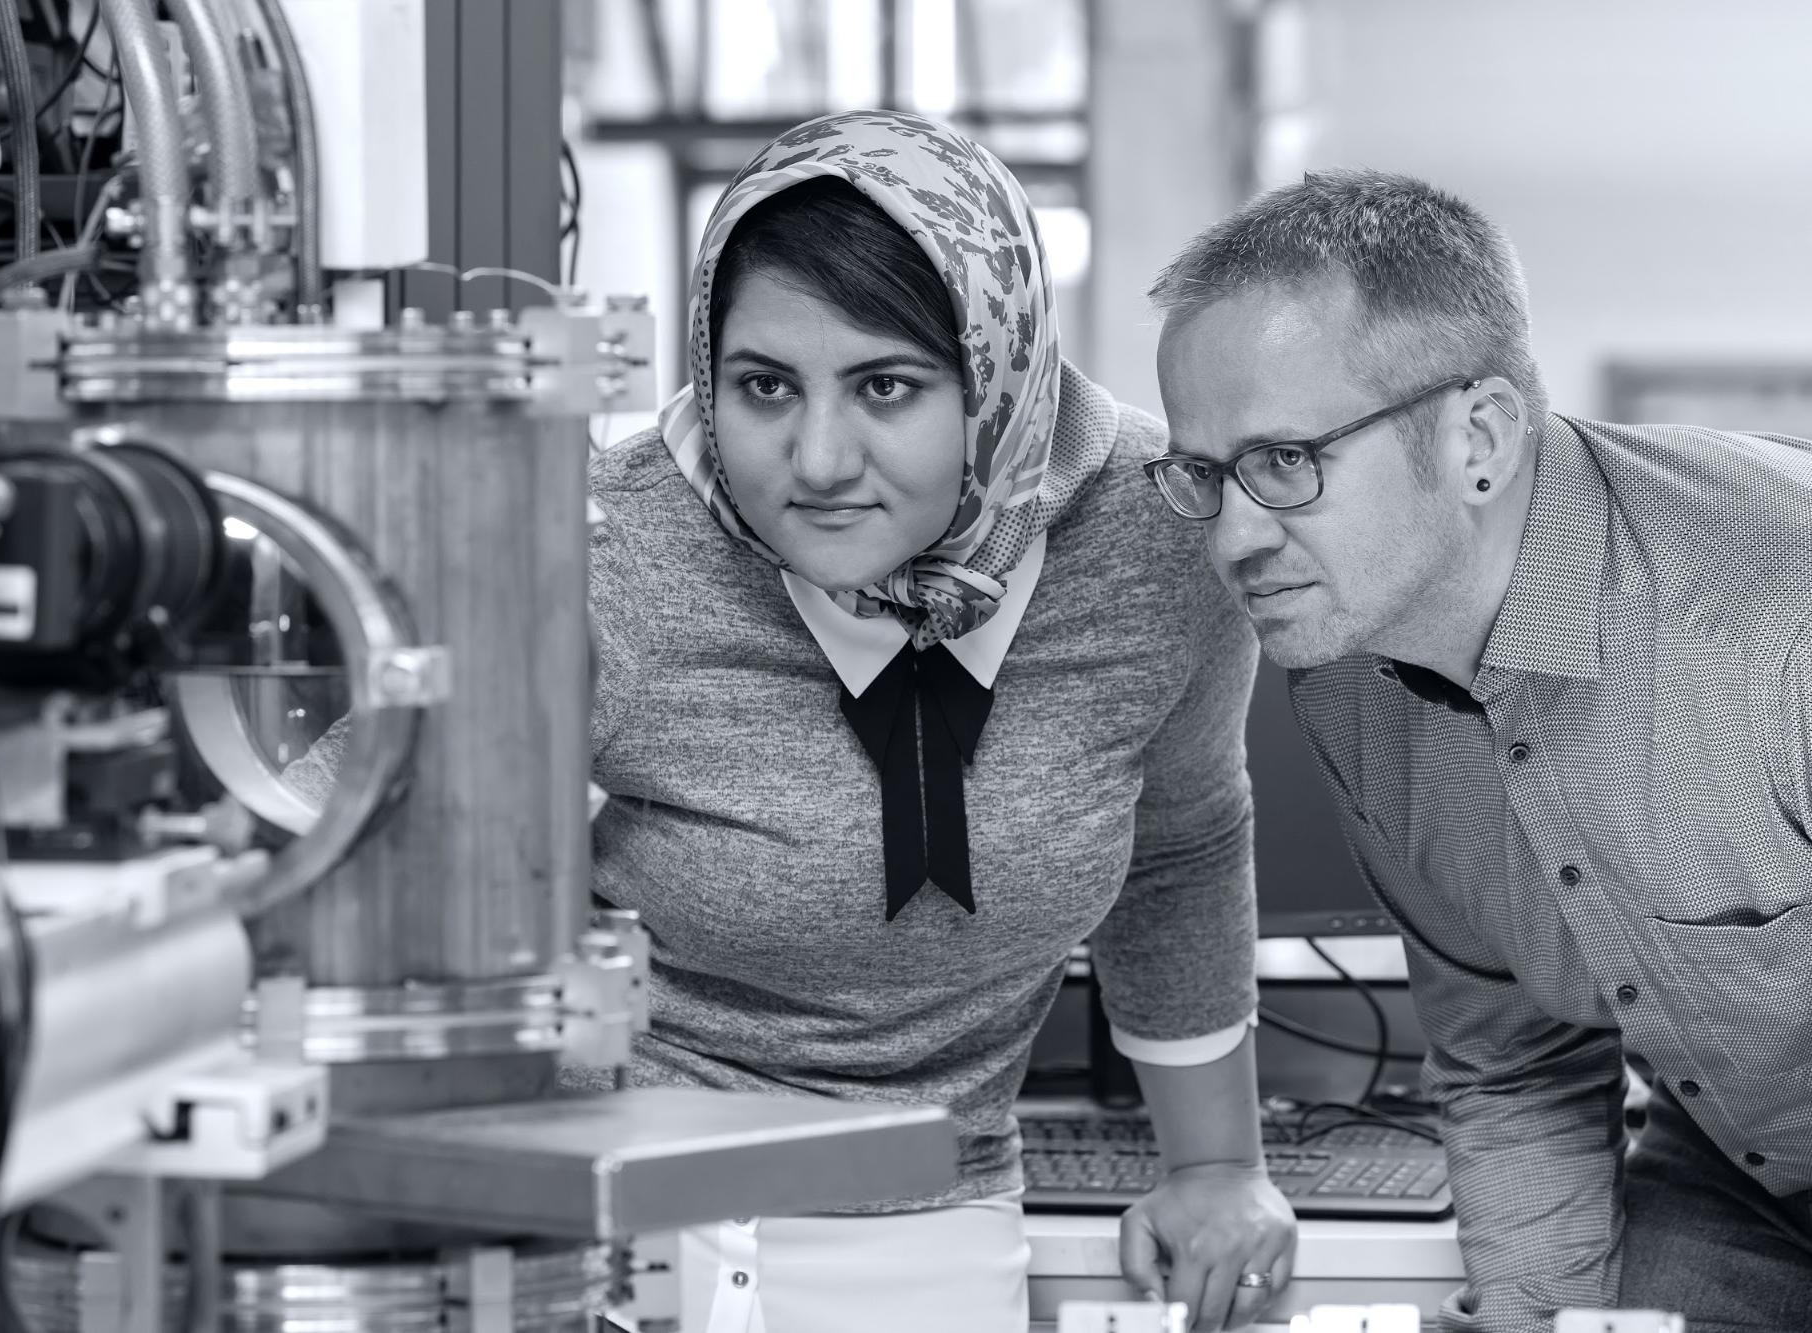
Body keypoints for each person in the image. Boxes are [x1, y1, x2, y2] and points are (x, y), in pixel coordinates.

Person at [583, 110, 1303, 1332]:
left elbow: (1178, 844)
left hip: (941, 1202)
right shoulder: (608, 539)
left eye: (886, 386)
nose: (814, 459)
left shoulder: (1149, 533)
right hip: (619, 1193)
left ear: (997, 371)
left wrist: (1214, 1167)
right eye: (762, 387)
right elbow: (402, 842)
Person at [1144, 168, 1812, 1333]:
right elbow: (1514, 1059)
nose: (1234, 538)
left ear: (1481, 437)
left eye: (1286, 461)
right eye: (1204, 476)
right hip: (1739, 1175)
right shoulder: (1348, 678)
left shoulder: (1778, 620)